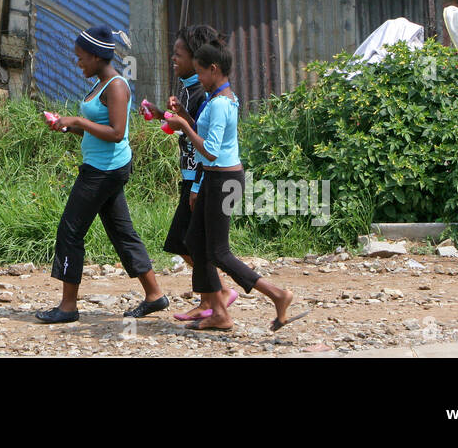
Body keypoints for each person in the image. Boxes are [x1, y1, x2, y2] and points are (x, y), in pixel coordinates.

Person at [171, 38, 306, 332]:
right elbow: (206, 136)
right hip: (213, 178)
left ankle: (278, 295)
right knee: (194, 240)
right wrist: (184, 115)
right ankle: (218, 312)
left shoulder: (220, 103)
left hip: (223, 180)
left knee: (219, 252)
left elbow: (211, 150)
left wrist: (183, 127)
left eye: (201, 72)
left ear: (214, 69)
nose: (199, 79)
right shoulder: (222, 98)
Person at [36, 25, 168, 324]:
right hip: (103, 167)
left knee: (70, 231)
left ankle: (68, 307)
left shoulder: (116, 86)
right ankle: (154, 295)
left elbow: (117, 132)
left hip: (103, 171)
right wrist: (69, 126)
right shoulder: (100, 83)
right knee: (122, 232)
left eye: (81, 57)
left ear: (96, 56)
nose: (78, 62)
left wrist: (79, 120)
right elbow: (99, 127)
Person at [161, 24, 235, 322]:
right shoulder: (190, 88)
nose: (173, 59)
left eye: (178, 54)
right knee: (186, 242)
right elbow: (188, 128)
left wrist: (197, 185)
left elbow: (208, 146)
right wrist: (163, 114)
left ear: (197, 59)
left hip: (202, 179)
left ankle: (218, 297)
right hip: (193, 177)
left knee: (194, 243)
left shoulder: (207, 94)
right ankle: (211, 300)